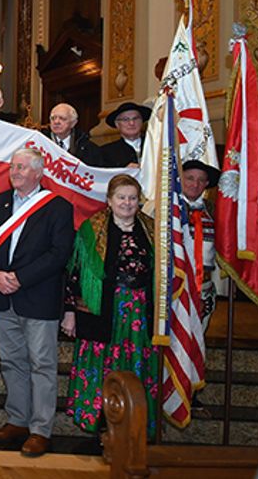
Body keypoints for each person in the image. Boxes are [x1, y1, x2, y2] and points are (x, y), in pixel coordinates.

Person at [0, 148, 75, 458]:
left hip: (38, 297)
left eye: (22, 167)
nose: (16, 172)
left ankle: (40, 430)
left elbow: (59, 253)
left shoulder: (58, 207)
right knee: (11, 362)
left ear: (38, 173)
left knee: (42, 365)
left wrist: (20, 277)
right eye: (13, 167)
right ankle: (17, 421)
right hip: (3, 298)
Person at [62, 174, 159, 439]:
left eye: (132, 198)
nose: (127, 203)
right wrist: (69, 312)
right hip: (102, 310)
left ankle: (135, 422)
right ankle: (99, 422)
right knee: (101, 364)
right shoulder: (91, 229)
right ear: (109, 200)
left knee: (135, 364)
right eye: (121, 197)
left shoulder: (152, 229)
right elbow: (74, 273)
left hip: (140, 312)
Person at [182, 159, 222, 331]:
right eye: (190, 178)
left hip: (204, 284)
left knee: (199, 334)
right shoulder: (167, 208)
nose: (195, 184)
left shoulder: (213, 211)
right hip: (176, 283)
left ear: (206, 184)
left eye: (200, 180)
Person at [101, 102, 151, 168]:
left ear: (142, 121)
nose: (131, 123)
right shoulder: (106, 153)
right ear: (117, 124)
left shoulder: (154, 145)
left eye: (135, 118)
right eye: (125, 119)